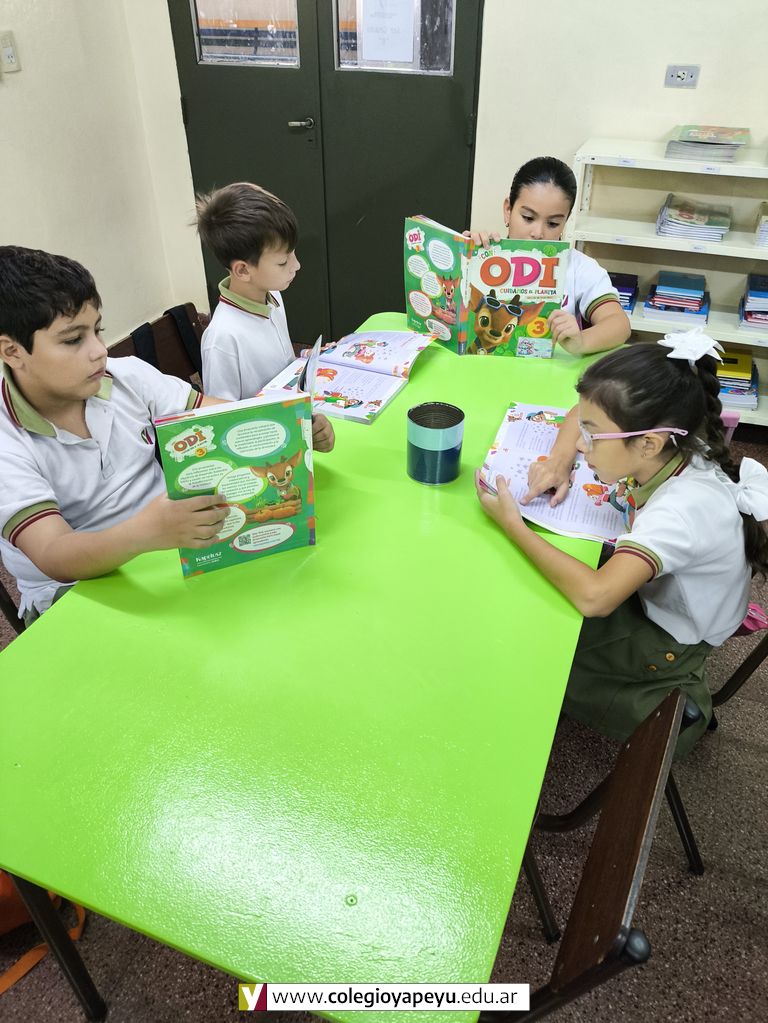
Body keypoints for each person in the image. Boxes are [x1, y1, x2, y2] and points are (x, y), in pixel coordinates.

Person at [475, 330, 768, 756]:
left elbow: (596, 598)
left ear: (648, 443)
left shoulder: (680, 512)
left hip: (666, 644)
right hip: (664, 605)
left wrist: (513, 525)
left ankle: (677, 707)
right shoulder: (682, 437)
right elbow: (580, 410)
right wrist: (560, 459)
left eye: (592, 436)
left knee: (529, 647)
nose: (583, 443)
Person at [196, 181, 334, 451]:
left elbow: (282, 368)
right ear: (243, 270)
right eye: (283, 262)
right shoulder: (222, 339)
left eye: (292, 254)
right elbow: (222, 425)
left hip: (296, 423)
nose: (296, 265)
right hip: (270, 449)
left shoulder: (273, 297)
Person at [467, 155, 631, 358]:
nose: (538, 233)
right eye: (528, 218)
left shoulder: (579, 268)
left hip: (545, 371)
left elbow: (619, 324)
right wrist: (464, 255)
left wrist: (581, 341)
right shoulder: (482, 254)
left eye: (553, 223)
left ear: (565, 222)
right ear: (508, 210)